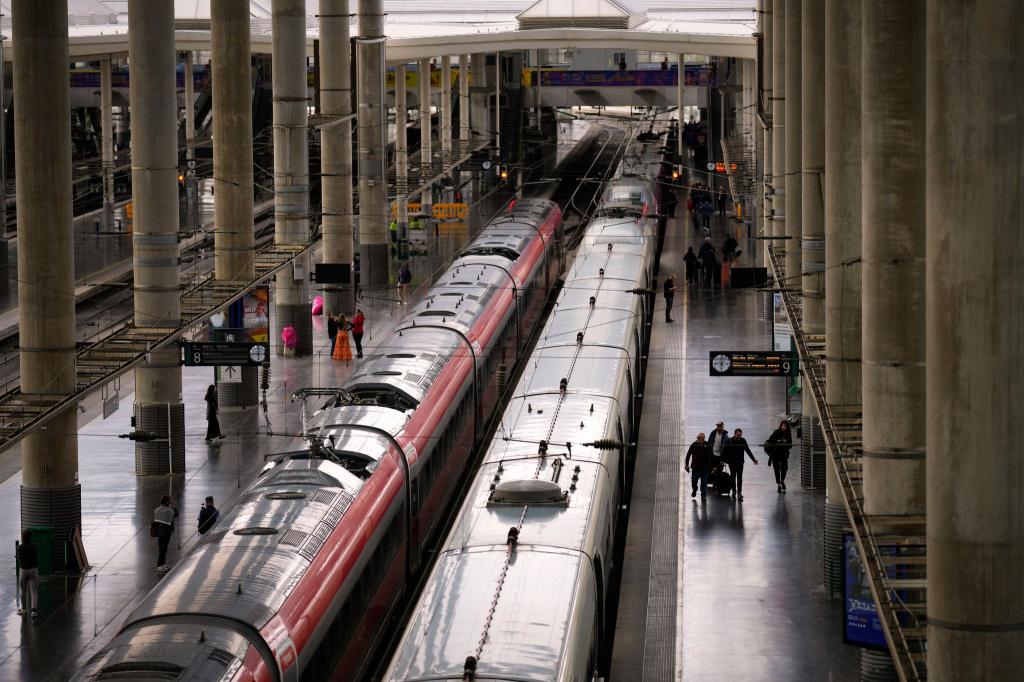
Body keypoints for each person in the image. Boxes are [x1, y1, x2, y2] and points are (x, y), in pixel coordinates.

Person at [723, 428, 759, 500]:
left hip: (740, 463)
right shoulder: (729, 441)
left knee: (739, 478)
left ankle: (739, 492)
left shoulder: (743, 440)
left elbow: (747, 450)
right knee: (733, 477)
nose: (739, 436)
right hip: (732, 463)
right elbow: (725, 451)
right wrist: (723, 460)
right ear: (735, 434)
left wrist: (753, 459)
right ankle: (734, 491)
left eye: (740, 435)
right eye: (738, 435)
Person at [764, 420, 794, 493]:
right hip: (775, 454)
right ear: (781, 426)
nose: (783, 427)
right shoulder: (776, 432)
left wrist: (785, 443)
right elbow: (770, 440)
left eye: (785, 426)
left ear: (787, 427)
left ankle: (782, 481)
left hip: (784, 454)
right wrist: (777, 441)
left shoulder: (788, 434)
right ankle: (779, 485)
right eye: (782, 425)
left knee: (784, 469)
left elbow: (790, 445)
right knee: (776, 470)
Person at [154, 495, 178, 572]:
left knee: (161, 547)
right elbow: (176, 514)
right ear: (168, 502)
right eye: (170, 500)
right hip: (166, 531)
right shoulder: (169, 511)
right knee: (164, 548)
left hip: (159, 530)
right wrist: (173, 505)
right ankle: (160, 565)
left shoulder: (157, 509)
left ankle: (162, 563)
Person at [684, 433, 713, 499]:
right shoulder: (693, 445)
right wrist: (686, 464)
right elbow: (688, 454)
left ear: (703, 438)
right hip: (695, 467)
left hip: (704, 467)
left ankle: (703, 495)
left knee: (704, 482)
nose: (697, 438)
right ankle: (695, 489)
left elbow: (711, 456)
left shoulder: (707, 445)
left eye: (698, 438)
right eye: (697, 437)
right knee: (694, 480)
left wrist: (711, 465)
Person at [17, 530, 39, 618]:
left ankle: (24, 609)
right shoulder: (34, 546)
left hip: (23, 570)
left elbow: (19, 559)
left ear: (23, 538)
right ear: (30, 537)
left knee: (23, 591)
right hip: (33, 569)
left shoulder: (19, 547)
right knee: (34, 591)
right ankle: (34, 611)